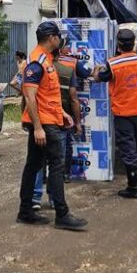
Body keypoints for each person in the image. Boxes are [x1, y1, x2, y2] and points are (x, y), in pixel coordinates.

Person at [16, 22, 87, 231]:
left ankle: (25, 211)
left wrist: (62, 112)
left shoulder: (46, 59)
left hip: (50, 119)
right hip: (45, 125)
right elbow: (29, 96)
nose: (60, 40)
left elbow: (47, 95)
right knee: (56, 165)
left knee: (34, 165)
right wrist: (38, 127)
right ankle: (62, 214)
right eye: (58, 36)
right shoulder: (37, 62)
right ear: (51, 38)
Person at [94, 29, 137, 198]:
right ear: (134, 43)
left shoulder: (113, 64)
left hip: (124, 112)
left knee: (128, 147)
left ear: (119, 45)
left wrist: (97, 70)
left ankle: (133, 186)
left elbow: (99, 78)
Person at [30, 46, 87, 209]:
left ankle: (35, 199)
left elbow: (26, 93)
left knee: (39, 160)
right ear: (61, 50)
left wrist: (30, 123)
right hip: (60, 121)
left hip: (41, 120)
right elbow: (74, 99)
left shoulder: (36, 66)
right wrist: (77, 122)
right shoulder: (67, 69)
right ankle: (55, 199)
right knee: (57, 162)